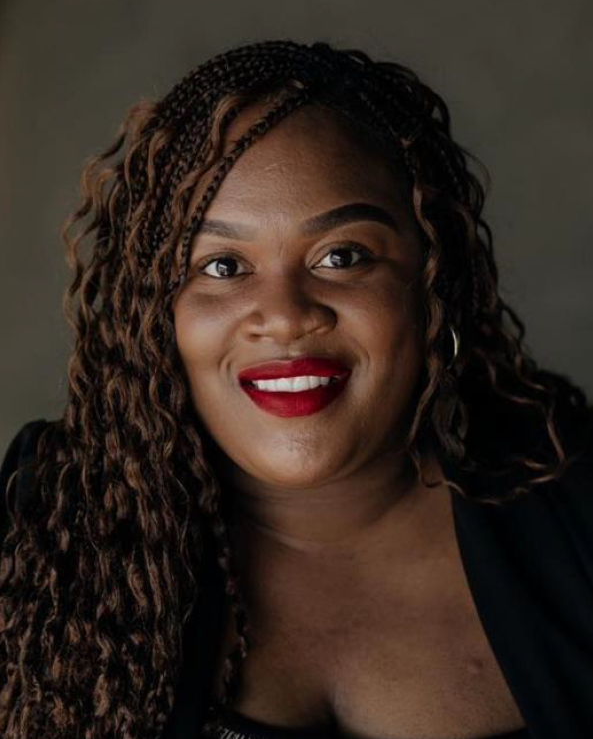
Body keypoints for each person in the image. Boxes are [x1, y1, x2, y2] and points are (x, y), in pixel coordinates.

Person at [0, 40, 591, 739]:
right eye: (222, 266)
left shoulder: (570, 495)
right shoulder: (48, 527)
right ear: (154, 315)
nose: (283, 316)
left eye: (342, 256)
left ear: (435, 283)